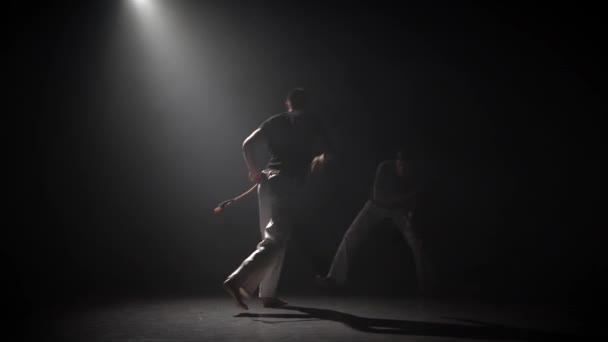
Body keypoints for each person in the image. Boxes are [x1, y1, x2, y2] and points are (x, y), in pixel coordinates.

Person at [223, 88, 331, 310]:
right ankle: (237, 279)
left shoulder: (275, 121)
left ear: (287, 103)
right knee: (275, 239)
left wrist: (254, 171)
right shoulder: (312, 121)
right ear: (307, 104)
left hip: (266, 182)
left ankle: (268, 295)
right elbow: (327, 152)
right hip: (286, 184)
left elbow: (247, 144)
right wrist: (320, 158)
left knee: (273, 239)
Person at [317, 151, 432, 293]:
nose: (403, 170)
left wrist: (410, 215)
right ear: (396, 162)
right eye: (401, 166)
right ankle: (334, 279)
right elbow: (379, 198)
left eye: (407, 168)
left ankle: (427, 286)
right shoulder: (384, 168)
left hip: (400, 210)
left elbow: (415, 202)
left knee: (416, 243)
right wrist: (406, 197)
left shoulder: (416, 175)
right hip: (376, 206)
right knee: (351, 236)